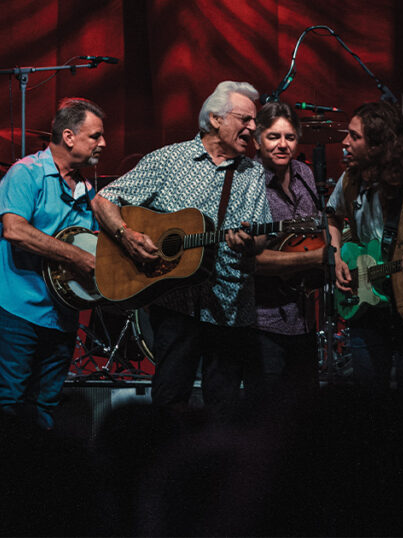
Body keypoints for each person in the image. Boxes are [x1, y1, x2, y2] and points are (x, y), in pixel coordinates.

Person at [92, 81, 272, 417]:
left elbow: (261, 236)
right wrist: (127, 235)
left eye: (254, 122)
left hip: (230, 308)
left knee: (225, 407)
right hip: (176, 304)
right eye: (245, 119)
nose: (252, 128)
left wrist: (250, 241)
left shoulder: (252, 172)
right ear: (216, 118)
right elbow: (104, 200)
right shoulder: (168, 160)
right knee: (170, 400)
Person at [0, 98, 105, 429]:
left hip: (60, 314)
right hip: (16, 306)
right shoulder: (25, 173)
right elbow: (15, 230)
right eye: (95, 136)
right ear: (68, 136)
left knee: (46, 407)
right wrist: (78, 257)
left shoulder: (86, 189)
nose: (102, 143)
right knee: (10, 404)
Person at [327, 101, 403, 395]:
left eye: (354, 137)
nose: (345, 142)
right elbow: (330, 216)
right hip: (366, 309)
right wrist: (336, 256)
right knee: (368, 400)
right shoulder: (349, 180)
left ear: (378, 146)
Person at [251, 102, 325, 398]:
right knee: (267, 416)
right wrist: (314, 258)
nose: (283, 145)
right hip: (264, 321)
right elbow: (251, 260)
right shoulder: (247, 181)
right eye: (273, 137)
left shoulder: (304, 175)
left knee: (303, 413)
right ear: (257, 139)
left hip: (305, 320)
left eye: (290, 137)